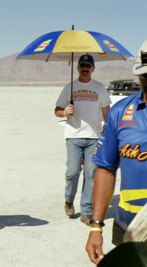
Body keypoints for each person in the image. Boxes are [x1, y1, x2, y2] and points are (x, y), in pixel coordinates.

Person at [85, 40, 147, 264]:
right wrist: (96, 226)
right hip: (128, 228)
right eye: (146, 76)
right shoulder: (120, 112)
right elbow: (106, 170)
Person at [54, 55, 111, 225]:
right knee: (72, 172)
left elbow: (107, 113)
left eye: (88, 65)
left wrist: (110, 131)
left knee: (91, 174)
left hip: (94, 137)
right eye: (82, 65)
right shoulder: (69, 87)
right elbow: (57, 110)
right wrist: (65, 112)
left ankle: (86, 211)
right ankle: (69, 199)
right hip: (73, 136)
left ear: (93, 68)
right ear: (77, 68)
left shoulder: (99, 88)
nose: (85, 67)